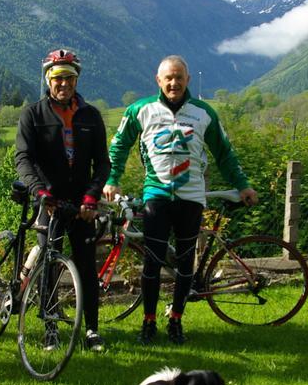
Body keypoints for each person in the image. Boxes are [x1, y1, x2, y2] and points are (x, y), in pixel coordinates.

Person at [103, 55, 258, 345]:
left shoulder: (204, 112)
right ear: (158, 80)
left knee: (186, 262)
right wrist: (112, 179)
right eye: (168, 78)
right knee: (152, 262)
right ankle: (148, 322)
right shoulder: (141, 110)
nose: (174, 83)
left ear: (187, 80)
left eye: (179, 77)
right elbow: (119, 146)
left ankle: (176, 320)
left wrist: (243, 185)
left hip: (191, 197)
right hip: (156, 195)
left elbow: (224, 152)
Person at [15, 48, 110, 351]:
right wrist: (40, 192)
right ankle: (51, 328)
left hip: (82, 204)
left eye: (69, 78)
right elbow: (23, 159)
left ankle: (92, 330)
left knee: (86, 267)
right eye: (57, 78)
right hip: (50, 201)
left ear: (76, 79)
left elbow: (103, 163)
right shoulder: (33, 113)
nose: (63, 84)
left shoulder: (91, 116)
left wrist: (92, 197)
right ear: (48, 79)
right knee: (49, 264)